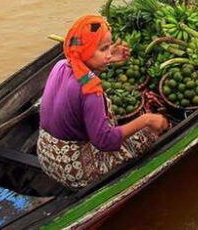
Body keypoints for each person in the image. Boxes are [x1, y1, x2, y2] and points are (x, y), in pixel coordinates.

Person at [37, 15, 168, 189]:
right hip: (74, 171)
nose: (109, 54)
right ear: (86, 51)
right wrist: (147, 120)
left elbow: (82, 78)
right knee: (149, 131)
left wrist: (107, 57)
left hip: (46, 155)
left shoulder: (61, 65)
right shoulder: (91, 91)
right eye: (103, 49)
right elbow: (105, 142)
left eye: (108, 47)